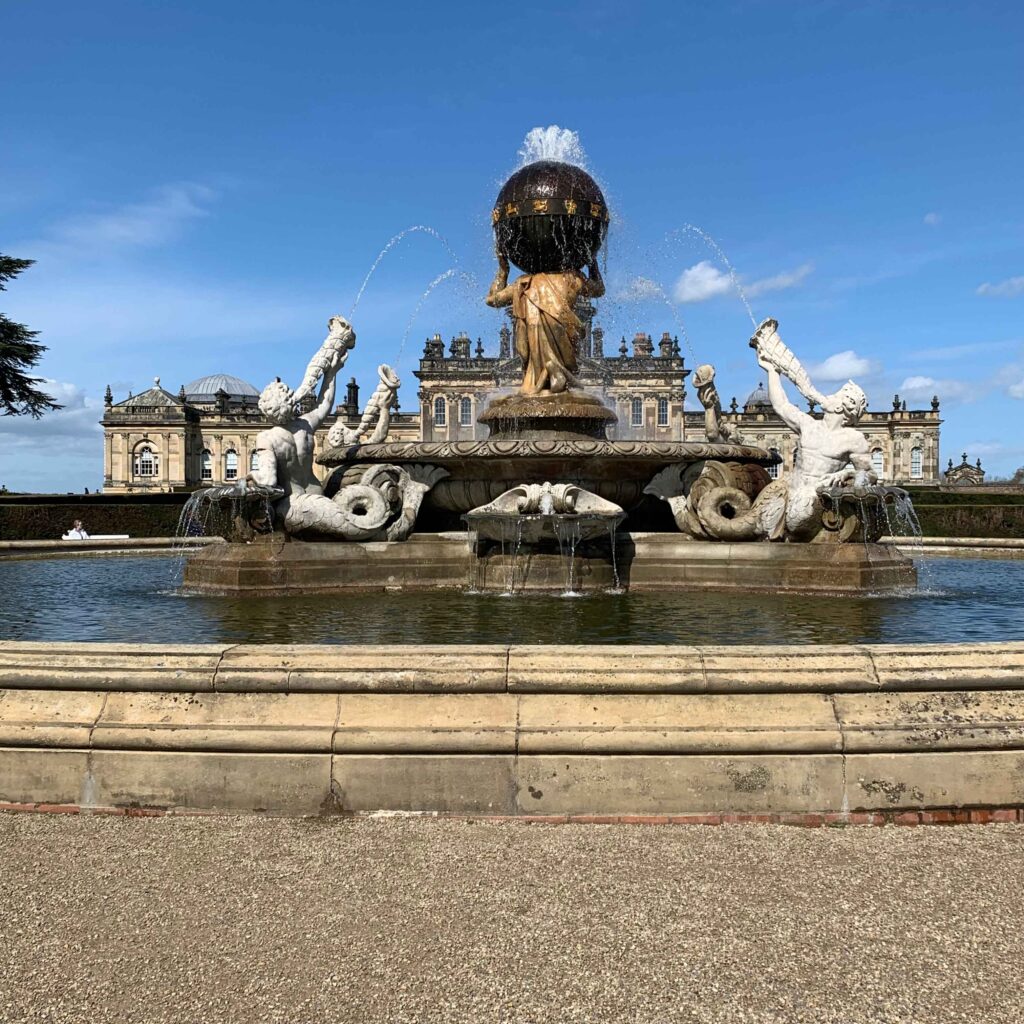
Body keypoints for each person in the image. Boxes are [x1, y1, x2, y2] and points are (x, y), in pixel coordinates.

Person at [485, 247, 604, 396]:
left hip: (531, 352)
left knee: (525, 395)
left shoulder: (523, 284)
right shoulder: (573, 279)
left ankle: (548, 372)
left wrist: (503, 269)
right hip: (566, 348)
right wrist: (592, 263)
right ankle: (556, 369)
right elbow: (599, 289)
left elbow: (492, 299)